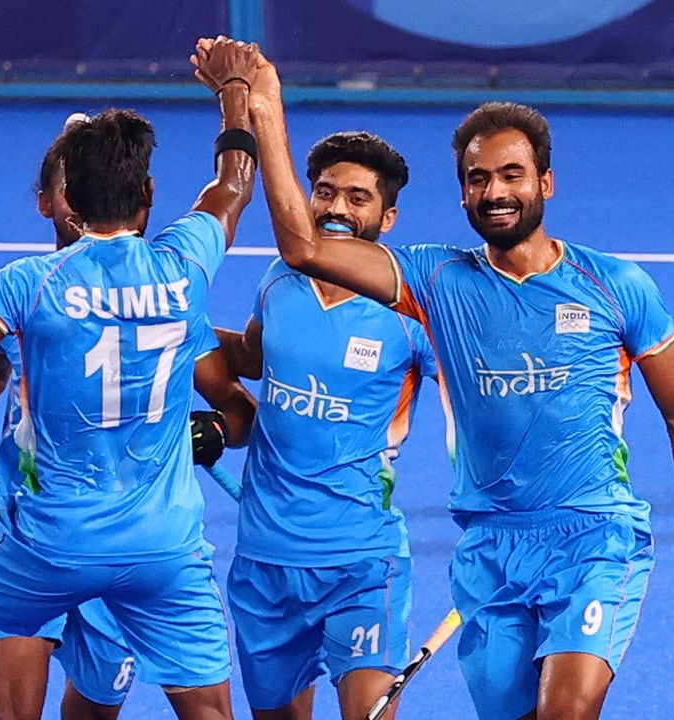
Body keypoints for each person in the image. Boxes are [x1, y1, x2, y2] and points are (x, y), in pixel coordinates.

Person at [228, 45, 674, 720]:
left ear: (545, 183)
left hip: (594, 536)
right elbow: (303, 249)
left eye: (510, 175)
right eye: (477, 179)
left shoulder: (616, 286)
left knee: (567, 712)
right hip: (491, 548)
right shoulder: (437, 282)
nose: (494, 192)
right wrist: (263, 107)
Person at [0, 37, 262, 720]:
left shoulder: (29, 283)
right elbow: (233, 185)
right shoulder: (186, 266)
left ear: (64, 197)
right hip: (165, 547)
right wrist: (233, 89)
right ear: (148, 194)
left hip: (53, 540)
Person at [213, 130, 436, 720]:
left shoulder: (410, 311)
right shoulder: (279, 282)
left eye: (358, 198)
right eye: (325, 192)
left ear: (387, 217)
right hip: (265, 564)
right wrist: (174, 329)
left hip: (362, 559)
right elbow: (253, 361)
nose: (336, 208)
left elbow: (478, 394)